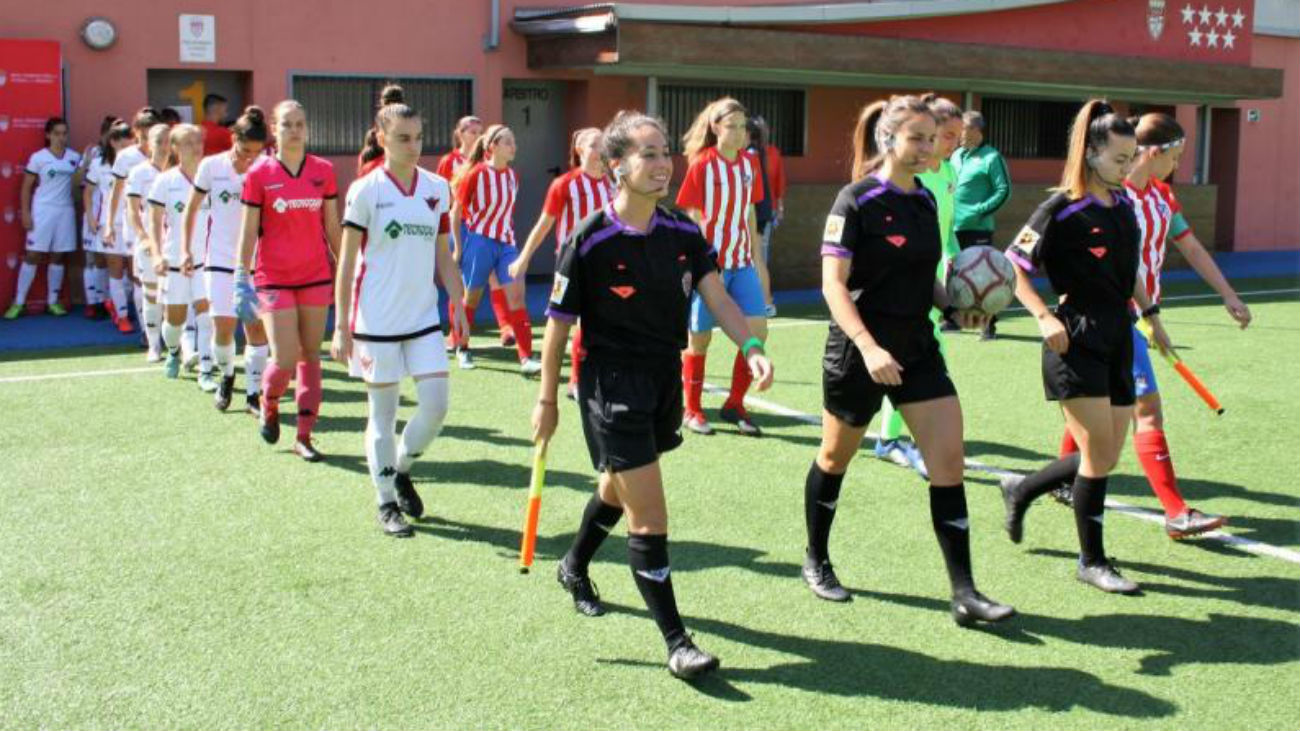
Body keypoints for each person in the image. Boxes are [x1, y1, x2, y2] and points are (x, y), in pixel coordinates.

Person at [533, 110, 774, 680]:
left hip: (663, 378)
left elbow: (717, 297)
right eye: (647, 153)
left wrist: (750, 346)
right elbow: (558, 327)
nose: (662, 164)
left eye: (665, 152)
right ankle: (677, 641)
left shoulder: (683, 233)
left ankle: (572, 564)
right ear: (615, 166)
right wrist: (546, 401)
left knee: (617, 489)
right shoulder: (588, 238)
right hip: (610, 385)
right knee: (651, 513)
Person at [803, 95, 1014, 627]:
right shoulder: (855, 201)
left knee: (948, 462)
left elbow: (928, 280)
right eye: (917, 137)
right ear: (887, 140)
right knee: (834, 458)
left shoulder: (924, 200)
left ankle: (965, 593)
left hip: (918, 349)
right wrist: (869, 347)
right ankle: (816, 557)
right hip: (859, 352)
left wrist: (955, 307)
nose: (927, 147)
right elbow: (832, 284)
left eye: (932, 137)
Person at [999, 101, 1173, 594]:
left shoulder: (1123, 207)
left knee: (1108, 453)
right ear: (1092, 153)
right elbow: (1014, 267)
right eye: (1119, 159)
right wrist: (1043, 317)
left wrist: (1152, 316)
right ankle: (1092, 560)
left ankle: (1024, 487)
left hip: (1119, 332)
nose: (1128, 168)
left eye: (1132, 158)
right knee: (1098, 453)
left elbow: (1133, 270)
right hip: (1073, 337)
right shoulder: (1059, 209)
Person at [1050, 112, 1248, 539]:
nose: (1177, 166)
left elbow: (1191, 247)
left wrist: (1227, 294)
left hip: (1140, 316)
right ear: (1154, 152)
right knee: (1146, 411)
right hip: (1112, 320)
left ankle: (1040, 484)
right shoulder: (1110, 197)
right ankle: (1176, 512)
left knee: (1096, 410)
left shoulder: (1161, 197)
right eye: (1174, 156)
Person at [332, 94, 468, 537]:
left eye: (418, 138)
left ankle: (402, 467)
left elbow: (444, 255)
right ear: (382, 139)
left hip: (424, 319)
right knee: (383, 415)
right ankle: (386, 502)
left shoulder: (435, 187)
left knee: (436, 406)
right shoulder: (365, 190)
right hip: (376, 324)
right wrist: (341, 327)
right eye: (403, 139)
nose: (414, 147)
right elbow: (348, 262)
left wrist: (459, 304)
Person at [235, 100, 343, 463]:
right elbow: (249, 230)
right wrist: (240, 275)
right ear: (274, 130)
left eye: (299, 124)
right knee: (284, 357)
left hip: (315, 276)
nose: (294, 130)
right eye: (286, 124)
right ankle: (269, 402)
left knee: (311, 355)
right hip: (273, 279)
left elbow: (331, 226)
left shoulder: (323, 171)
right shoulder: (258, 174)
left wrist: (345, 268)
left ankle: (305, 436)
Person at [872, 94, 963, 476]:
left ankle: (899, 435)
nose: (952, 143)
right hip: (907, 281)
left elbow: (947, 232)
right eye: (947, 135)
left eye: (957, 136)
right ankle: (891, 439)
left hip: (933, 277)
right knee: (910, 357)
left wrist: (958, 260)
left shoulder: (948, 174)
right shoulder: (913, 175)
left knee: (917, 358)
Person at [676, 98, 769, 437]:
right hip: (710, 268)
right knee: (698, 340)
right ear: (716, 128)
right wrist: (700, 261)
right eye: (732, 126)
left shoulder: (750, 164)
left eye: (743, 127)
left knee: (757, 332)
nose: (740, 133)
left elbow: (749, 213)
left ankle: (734, 405)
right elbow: (692, 213)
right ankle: (692, 408)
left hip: (743, 263)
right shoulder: (702, 164)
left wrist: (758, 260)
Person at [511, 127, 615, 400]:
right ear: (580, 150)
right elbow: (543, 225)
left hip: (604, 263)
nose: (600, 150)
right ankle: (550, 383)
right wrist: (523, 258)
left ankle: (577, 381)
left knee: (592, 322)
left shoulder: (611, 184)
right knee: (560, 322)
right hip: (570, 264)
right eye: (594, 144)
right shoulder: (565, 184)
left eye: (603, 144)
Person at [182, 105, 271, 413]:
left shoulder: (267, 167)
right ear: (233, 137)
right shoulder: (211, 166)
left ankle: (253, 393)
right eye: (245, 150)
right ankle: (227, 376)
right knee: (222, 327)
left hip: (257, 263)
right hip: (218, 260)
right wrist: (185, 250)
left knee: (255, 329)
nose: (249, 159)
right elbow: (191, 209)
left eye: (255, 153)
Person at [449, 124, 540, 374]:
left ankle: (526, 358)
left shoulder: (513, 176)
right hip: (479, 243)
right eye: (508, 142)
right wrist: (457, 248)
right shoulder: (475, 174)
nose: (514, 146)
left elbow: (505, 213)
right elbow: (455, 214)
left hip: (507, 244)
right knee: (472, 298)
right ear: (492, 147)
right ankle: (463, 347)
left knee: (517, 297)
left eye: (514, 141)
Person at [438, 115, 513, 349]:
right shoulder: (450, 161)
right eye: (472, 131)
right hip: (459, 227)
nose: (477, 136)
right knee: (461, 285)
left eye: (480, 131)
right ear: (459, 134)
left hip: (483, 229)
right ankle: (456, 333)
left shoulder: (491, 163)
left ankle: (506, 328)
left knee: (495, 278)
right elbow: (441, 197)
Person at [148, 124, 215, 387]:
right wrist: (155, 253)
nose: (195, 147)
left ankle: (206, 371)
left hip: (207, 261)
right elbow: (153, 220)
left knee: (205, 313)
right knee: (174, 321)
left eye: (198, 141)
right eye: (187, 142)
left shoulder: (212, 176)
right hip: (175, 260)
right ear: (174, 148)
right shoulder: (166, 181)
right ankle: (174, 351)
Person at [6, 118, 82, 319]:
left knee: (58, 256)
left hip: (65, 212)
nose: (61, 137)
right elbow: (26, 187)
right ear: (48, 135)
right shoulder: (38, 158)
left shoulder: (75, 157)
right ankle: (19, 302)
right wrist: (26, 213)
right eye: (56, 133)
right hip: (43, 211)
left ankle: (52, 302)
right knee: (33, 255)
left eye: (64, 133)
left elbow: (79, 184)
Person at [104, 107, 165, 347]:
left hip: (165, 227)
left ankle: (172, 330)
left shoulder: (168, 155)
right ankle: (147, 331)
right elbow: (116, 192)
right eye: (146, 130)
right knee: (141, 278)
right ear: (137, 131)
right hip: (135, 225)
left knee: (164, 278)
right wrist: (109, 224)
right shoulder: (127, 157)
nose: (151, 137)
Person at [951, 110, 1011, 340]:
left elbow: (1003, 190)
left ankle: (988, 326)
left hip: (978, 228)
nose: (959, 136)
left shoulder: (991, 157)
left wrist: (979, 212)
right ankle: (955, 320)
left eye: (962, 130)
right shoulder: (955, 156)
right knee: (955, 275)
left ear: (976, 130)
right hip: (953, 228)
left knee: (982, 277)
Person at [125, 124, 172, 361]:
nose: (165, 146)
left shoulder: (180, 172)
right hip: (150, 246)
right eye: (160, 141)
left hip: (175, 244)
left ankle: (181, 346)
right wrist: (143, 238)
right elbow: (132, 210)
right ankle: (153, 345)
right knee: (151, 293)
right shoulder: (139, 173)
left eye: (168, 141)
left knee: (179, 296)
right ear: (149, 143)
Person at [81, 119, 132, 322]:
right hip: (108, 225)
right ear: (112, 142)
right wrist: (92, 219)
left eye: (129, 143)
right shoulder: (98, 164)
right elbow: (88, 192)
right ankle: (120, 315)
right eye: (121, 143)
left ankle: (121, 305)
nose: (125, 148)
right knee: (114, 270)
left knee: (134, 273)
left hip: (132, 224)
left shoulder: (137, 163)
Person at [744, 115, 786, 316]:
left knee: (757, 257)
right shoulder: (769, 152)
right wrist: (778, 206)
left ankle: (765, 301)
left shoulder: (748, 154)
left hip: (756, 210)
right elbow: (779, 183)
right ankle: (764, 300)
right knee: (759, 256)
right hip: (766, 209)